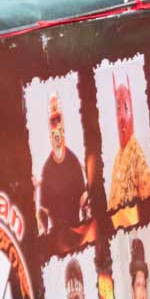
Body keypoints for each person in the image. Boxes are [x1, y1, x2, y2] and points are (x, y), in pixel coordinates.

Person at [34, 94, 89, 236]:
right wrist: (42, 226)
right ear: (50, 137)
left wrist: (88, 205)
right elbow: (44, 210)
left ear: (63, 131)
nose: (56, 125)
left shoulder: (74, 161)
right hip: (57, 236)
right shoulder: (46, 169)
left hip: (77, 232)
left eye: (58, 120)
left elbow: (83, 197)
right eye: (53, 121)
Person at [106, 74, 150, 211]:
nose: (122, 117)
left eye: (126, 109)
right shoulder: (117, 160)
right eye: (118, 110)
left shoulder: (137, 156)